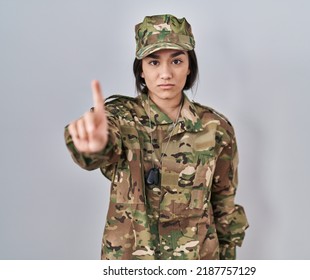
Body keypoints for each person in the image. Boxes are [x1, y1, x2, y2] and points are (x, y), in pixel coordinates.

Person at [64, 14, 249, 260]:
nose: (165, 74)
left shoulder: (215, 127)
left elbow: (224, 204)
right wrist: (94, 146)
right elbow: (100, 145)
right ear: (140, 69)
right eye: (153, 62)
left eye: (176, 61)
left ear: (189, 66)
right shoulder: (121, 118)